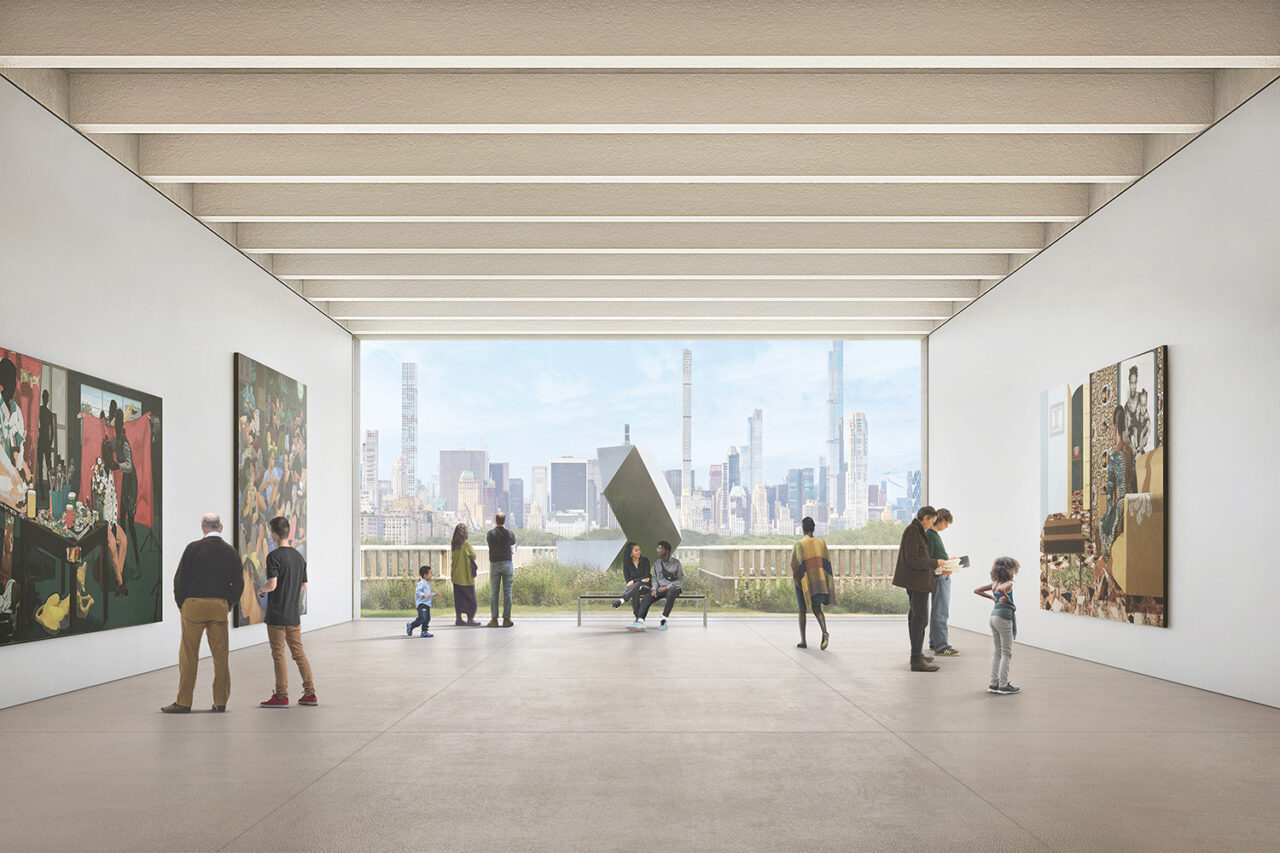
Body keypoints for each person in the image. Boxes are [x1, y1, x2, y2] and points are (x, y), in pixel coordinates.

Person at [163, 514, 244, 713]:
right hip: (218, 606)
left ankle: (183, 702)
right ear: (221, 527)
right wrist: (228, 604)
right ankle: (220, 702)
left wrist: (181, 603)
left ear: (203, 528)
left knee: (189, 655)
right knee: (221, 656)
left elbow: (179, 579)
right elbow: (239, 584)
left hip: (193, 605)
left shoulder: (193, 548)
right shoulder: (231, 552)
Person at [256, 516, 316, 709]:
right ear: (287, 532)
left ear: (274, 534)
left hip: (276, 616)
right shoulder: (299, 557)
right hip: (293, 615)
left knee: (278, 654)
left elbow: (271, 585)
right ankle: (310, 693)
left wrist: (260, 589)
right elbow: (304, 586)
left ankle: (281, 696)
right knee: (298, 654)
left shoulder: (273, 557)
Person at [892, 506, 947, 672]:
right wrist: (935, 562)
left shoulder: (916, 530)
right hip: (917, 583)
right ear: (925, 518)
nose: (932, 525)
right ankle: (916, 659)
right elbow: (913, 560)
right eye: (931, 521)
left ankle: (917, 654)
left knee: (917, 618)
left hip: (918, 582)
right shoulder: (913, 532)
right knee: (920, 619)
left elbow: (917, 558)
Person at [974, 556, 1021, 695]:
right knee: (1006, 652)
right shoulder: (1008, 583)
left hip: (993, 616)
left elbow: (976, 590)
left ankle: (993, 683)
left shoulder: (993, 583)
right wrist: (1005, 595)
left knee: (997, 651)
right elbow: (1002, 589)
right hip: (1004, 617)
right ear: (1009, 570)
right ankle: (1003, 685)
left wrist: (993, 598)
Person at [787, 516, 832, 649]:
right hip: (818, 580)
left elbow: (793, 564)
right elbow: (825, 563)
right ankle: (825, 632)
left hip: (804, 581)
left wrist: (797, 580)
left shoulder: (799, 545)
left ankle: (803, 640)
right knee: (817, 608)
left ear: (803, 528)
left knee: (802, 609)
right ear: (813, 528)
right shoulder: (821, 543)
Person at [928, 508, 958, 656]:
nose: (946, 526)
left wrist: (948, 562)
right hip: (940, 578)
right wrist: (944, 565)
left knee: (937, 611)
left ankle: (935, 642)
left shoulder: (934, 535)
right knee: (941, 611)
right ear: (938, 520)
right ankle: (941, 646)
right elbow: (930, 559)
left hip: (941, 575)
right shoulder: (931, 536)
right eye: (945, 523)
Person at [638, 540, 684, 630]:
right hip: (659, 589)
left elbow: (681, 579)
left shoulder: (676, 563)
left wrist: (667, 587)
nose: (658, 550)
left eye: (661, 549)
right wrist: (654, 589)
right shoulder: (657, 563)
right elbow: (654, 578)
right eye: (658, 548)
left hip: (673, 588)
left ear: (667, 551)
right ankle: (640, 620)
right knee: (647, 597)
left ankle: (664, 619)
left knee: (671, 593)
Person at [485, 511, 516, 628]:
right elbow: (513, 549)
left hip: (494, 564)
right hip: (507, 563)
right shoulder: (510, 534)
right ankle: (506, 619)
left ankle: (494, 619)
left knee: (494, 593)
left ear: (495, 520)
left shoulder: (490, 534)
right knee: (507, 592)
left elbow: (490, 546)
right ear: (505, 521)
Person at [611, 541, 651, 631]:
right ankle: (638, 620)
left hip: (646, 587)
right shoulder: (626, 565)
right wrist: (636, 581)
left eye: (639, 550)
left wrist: (635, 581)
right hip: (635, 589)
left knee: (636, 585)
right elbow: (628, 582)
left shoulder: (645, 561)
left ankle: (622, 600)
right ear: (630, 553)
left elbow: (647, 576)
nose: (639, 552)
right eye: (636, 550)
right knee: (635, 591)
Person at [450, 523, 481, 626]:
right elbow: (473, 555)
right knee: (470, 599)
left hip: (455, 575)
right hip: (465, 576)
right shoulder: (466, 544)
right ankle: (470, 619)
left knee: (458, 599)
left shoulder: (454, 544)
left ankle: (458, 619)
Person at [406, 565, 436, 638]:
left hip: (427, 604)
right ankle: (411, 626)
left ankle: (424, 632)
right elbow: (418, 592)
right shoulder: (422, 583)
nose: (431, 575)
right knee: (422, 617)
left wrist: (434, 594)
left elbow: (428, 594)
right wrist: (423, 595)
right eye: (430, 574)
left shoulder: (427, 583)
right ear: (425, 575)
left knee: (427, 618)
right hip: (421, 604)